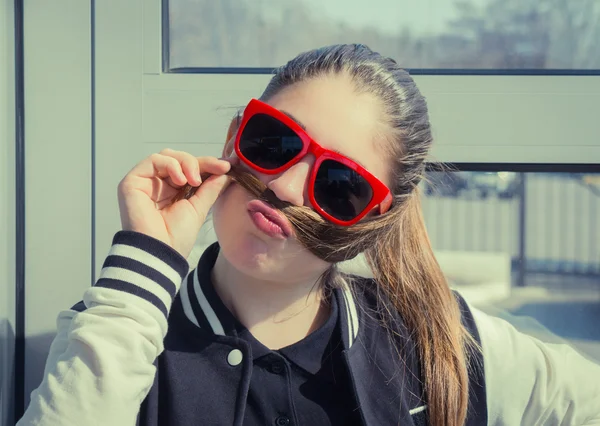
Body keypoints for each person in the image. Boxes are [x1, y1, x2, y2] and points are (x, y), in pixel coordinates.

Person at [18, 44, 600, 426]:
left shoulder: (441, 344)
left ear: (374, 219)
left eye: (341, 185)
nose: (287, 187)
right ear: (233, 139)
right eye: (275, 142)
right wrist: (145, 262)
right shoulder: (121, 332)